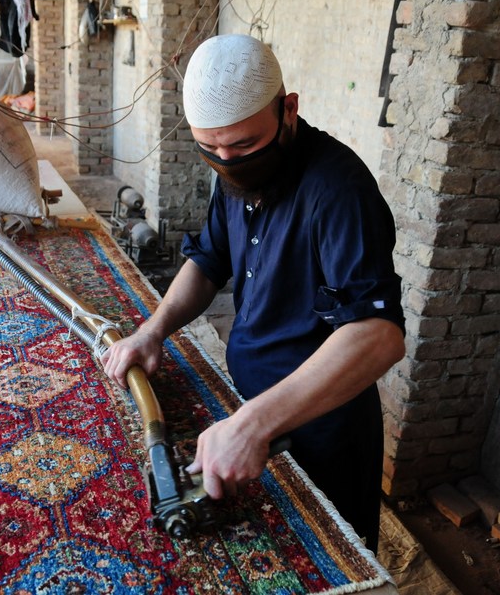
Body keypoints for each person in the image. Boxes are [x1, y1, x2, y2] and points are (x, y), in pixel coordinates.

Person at [102, 34, 405, 553]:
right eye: (211, 148)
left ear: (288, 110)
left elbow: (378, 335)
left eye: (243, 146)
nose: (227, 161)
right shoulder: (233, 174)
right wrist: (153, 332)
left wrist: (254, 424)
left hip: (320, 429)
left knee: (328, 556)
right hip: (250, 411)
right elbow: (209, 260)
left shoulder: (338, 191)